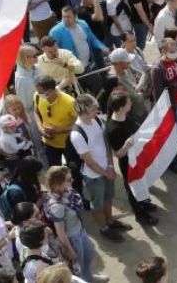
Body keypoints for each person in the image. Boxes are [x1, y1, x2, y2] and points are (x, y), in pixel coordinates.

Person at [70, 94, 130, 242]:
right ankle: (103, 228)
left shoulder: (96, 120)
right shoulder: (77, 134)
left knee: (109, 197)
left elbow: (106, 142)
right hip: (93, 176)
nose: (97, 111)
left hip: (106, 170)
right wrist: (105, 172)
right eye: (92, 109)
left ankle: (110, 221)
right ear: (83, 111)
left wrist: (110, 165)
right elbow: (88, 161)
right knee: (97, 204)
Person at [44, 166, 108, 283]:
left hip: (80, 230)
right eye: (68, 179)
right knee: (78, 267)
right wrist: (70, 250)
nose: (72, 180)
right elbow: (61, 233)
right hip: (72, 239)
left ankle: (88, 277)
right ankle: (85, 280)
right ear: (59, 183)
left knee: (89, 254)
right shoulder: (57, 206)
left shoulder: (67, 191)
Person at [104, 92, 159, 226]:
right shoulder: (113, 129)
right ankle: (140, 215)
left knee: (142, 182)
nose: (131, 104)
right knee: (133, 189)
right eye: (128, 102)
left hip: (138, 159)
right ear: (122, 107)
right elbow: (118, 154)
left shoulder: (125, 117)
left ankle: (144, 203)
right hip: (128, 164)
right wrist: (126, 146)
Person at [150, 38, 177, 173]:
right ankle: (171, 161)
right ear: (163, 50)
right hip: (169, 106)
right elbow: (159, 93)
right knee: (173, 135)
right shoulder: (157, 68)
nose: (174, 52)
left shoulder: (176, 60)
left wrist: (176, 84)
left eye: (175, 49)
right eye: (171, 50)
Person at [33, 76, 83, 195]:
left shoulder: (69, 102)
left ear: (51, 90)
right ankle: (60, 196)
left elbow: (80, 122)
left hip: (68, 144)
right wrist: (40, 128)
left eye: (41, 92)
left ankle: (78, 196)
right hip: (49, 143)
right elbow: (36, 112)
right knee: (55, 173)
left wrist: (60, 130)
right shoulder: (37, 96)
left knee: (74, 173)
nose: (39, 94)